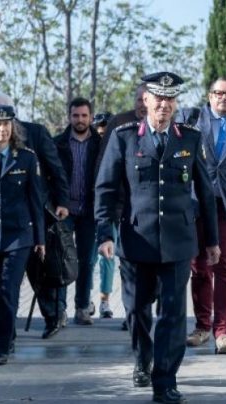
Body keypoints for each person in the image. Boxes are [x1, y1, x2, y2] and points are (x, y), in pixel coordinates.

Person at [95, 71, 220, 404]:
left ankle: (165, 381)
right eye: (158, 98)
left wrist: (212, 240)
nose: (164, 104)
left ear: (175, 103)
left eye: (170, 99)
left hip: (179, 241)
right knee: (137, 310)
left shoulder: (189, 138)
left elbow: (206, 193)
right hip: (137, 240)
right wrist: (104, 233)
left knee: (173, 315)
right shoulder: (124, 138)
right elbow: (106, 187)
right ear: (146, 100)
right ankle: (143, 358)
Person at [177, 78, 226, 354]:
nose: (224, 98)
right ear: (210, 96)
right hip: (197, 202)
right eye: (219, 93)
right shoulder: (191, 120)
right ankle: (202, 327)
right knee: (199, 266)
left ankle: (223, 330)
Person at [0, 92, 70, 341]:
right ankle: (2, 332)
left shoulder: (36, 132)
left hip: (35, 211)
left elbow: (56, 168)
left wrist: (63, 201)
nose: (0, 122)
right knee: (3, 284)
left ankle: (52, 316)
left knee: (40, 272)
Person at [0, 105, 45, 365]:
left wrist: (40, 239)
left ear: (13, 126)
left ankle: (2, 348)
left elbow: (36, 200)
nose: (2, 129)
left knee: (8, 290)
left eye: (6, 124)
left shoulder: (27, 158)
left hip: (18, 237)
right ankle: (6, 334)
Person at [95, 84, 147, 330]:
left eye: (146, 99)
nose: (142, 104)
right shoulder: (119, 123)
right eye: (138, 99)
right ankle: (131, 313)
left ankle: (141, 309)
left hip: (148, 208)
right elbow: (104, 164)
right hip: (120, 207)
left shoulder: (164, 125)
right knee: (125, 262)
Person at [54, 97, 101, 325]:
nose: (80, 120)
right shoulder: (57, 144)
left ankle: (82, 308)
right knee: (62, 260)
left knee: (87, 261)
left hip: (90, 211)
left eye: (84, 115)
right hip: (64, 211)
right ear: (69, 117)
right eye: (76, 115)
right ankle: (59, 310)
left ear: (90, 117)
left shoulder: (101, 145)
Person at [92, 111, 114, 318]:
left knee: (107, 258)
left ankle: (104, 301)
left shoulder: (118, 150)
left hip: (110, 213)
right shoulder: (89, 151)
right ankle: (86, 299)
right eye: (100, 134)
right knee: (88, 259)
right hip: (89, 212)